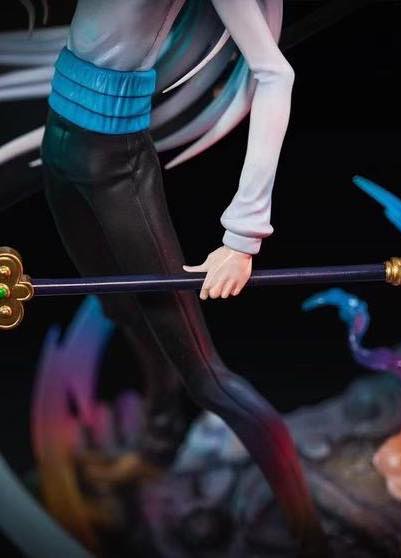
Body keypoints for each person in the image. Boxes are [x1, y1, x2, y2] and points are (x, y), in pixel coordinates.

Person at [40, 0, 325, 550]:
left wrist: (243, 235)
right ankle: (160, 436)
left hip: (115, 167)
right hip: (60, 141)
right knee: (121, 309)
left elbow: (275, 74)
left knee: (208, 377)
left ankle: (310, 531)